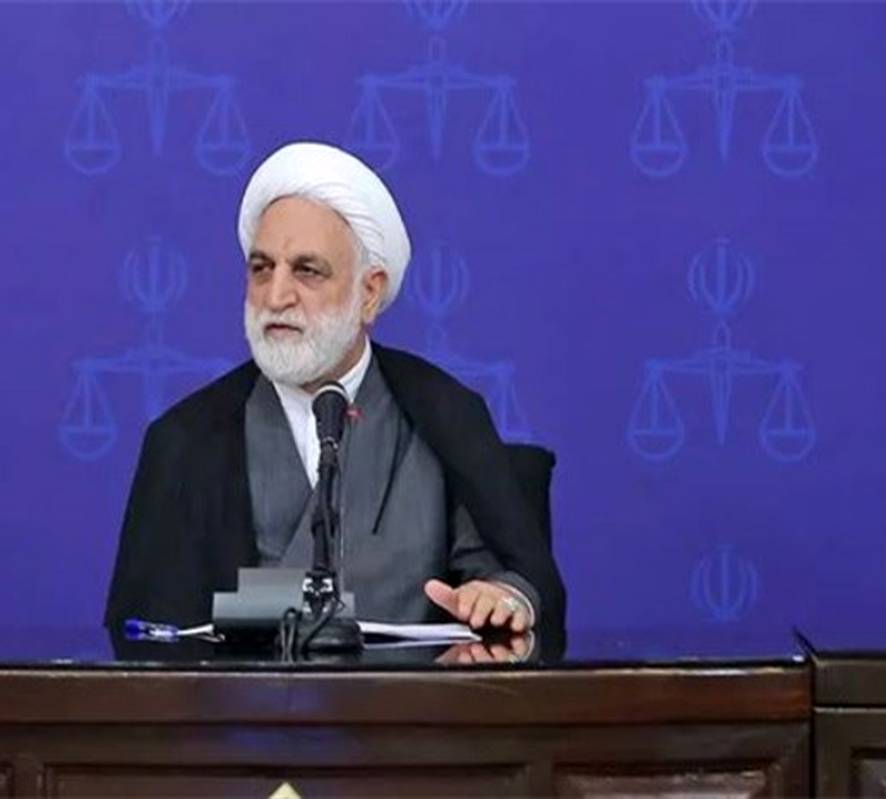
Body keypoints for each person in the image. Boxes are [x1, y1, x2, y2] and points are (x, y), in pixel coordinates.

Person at [105, 142, 565, 634]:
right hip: (239, 688)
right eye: (261, 269)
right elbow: (148, 636)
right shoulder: (184, 439)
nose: (276, 296)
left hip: (412, 685)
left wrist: (502, 596)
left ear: (369, 293)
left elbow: (509, 576)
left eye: (307, 270)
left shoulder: (445, 414)